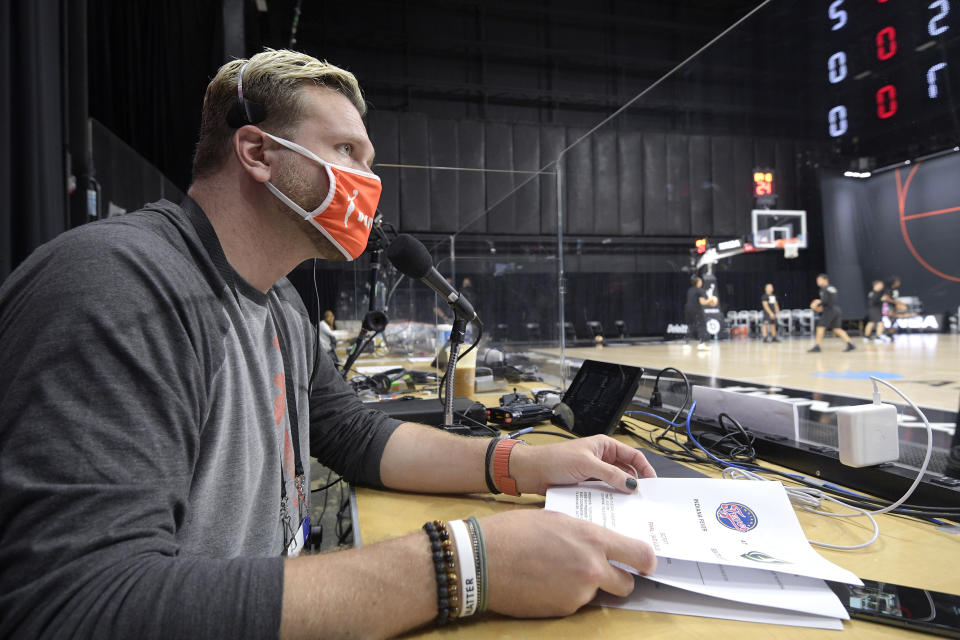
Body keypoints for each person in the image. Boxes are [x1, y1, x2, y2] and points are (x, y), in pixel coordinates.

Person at [0, 50, 657, 639]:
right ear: (256, 153)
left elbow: (355, 435)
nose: (368, 185)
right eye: (346, 152)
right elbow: (74, 606)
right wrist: (465, 563)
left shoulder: (281, 300)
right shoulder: (117, 283)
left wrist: (522, 465)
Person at [808, 273, 855, 352]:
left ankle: (817, 346)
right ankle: (850, 344)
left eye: (819, 280)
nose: (818, 282)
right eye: (817, 280)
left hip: (829, 310)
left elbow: (825, 301)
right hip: (836, 309)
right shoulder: (832, 288)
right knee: (837, 329)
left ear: (825, 280)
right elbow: (830, 300)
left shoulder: (824, 289)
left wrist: (817, 304)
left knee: (820, 327)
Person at [684, 275, 717, 351]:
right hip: (696, 310)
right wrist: (711, 299)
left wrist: (709, 302)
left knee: (690, 325)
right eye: (701, 281)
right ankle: (702, 344)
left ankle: (686, 343)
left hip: (688, 309)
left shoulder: (690, 290)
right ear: (698, 282)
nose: (701, 282)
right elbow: (702, 302)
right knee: (702, 325)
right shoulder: (700, 290)